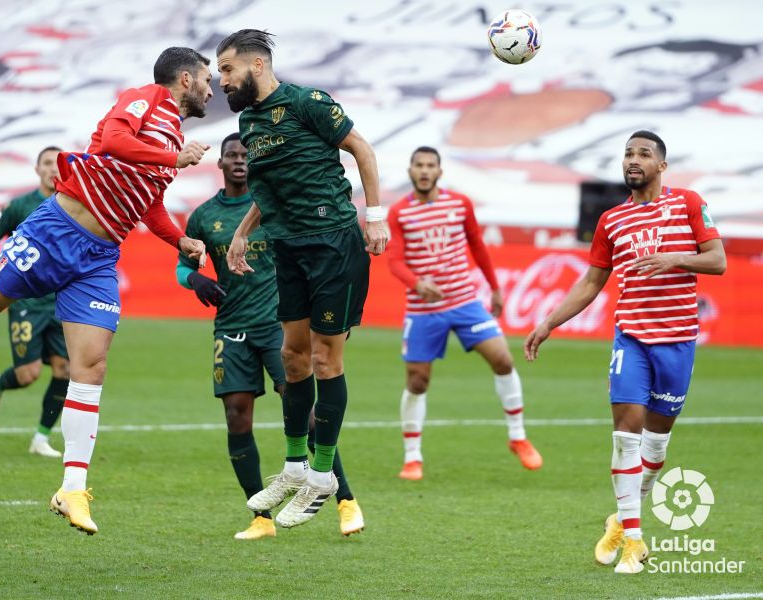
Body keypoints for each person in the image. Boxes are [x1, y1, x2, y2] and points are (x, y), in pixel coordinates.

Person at [0, 47, 215, 536]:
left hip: (97, 259)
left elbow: (149, 200)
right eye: (207, 77)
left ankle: (72, 488)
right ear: (185, 79)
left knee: (91, 365)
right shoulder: (146, 99)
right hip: (54, 231)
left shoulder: (174, 133)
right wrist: (171, 156)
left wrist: (178, 238)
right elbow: (117, 141)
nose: (212, 87)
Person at [524, 131, 726, 574]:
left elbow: (717, 260)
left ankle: (620, 519)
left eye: (644, 154)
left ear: (661, 165)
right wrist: (548, 322)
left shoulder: (689, 203)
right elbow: (592, 282)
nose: (633, 160)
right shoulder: (612, 220)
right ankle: (634, 540)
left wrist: (675, 259)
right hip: (630, 338)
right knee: (625, 435)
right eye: (629, 154)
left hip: (677, 341)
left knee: (655, 447)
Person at [216, 29, 389, 529]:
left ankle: (322, 475)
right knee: (293, 359)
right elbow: (267, 189)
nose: (222, 80)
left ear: (257, 66)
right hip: (287, 247)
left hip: (333, 242)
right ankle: (294, 467)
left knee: (324, 358)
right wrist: (244, 232)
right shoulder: (249, 120)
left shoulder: (308, 102)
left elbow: (363, 150)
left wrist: (374, 216)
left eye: (228, 70)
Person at [176, 133, 365, 539]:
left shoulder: (277, 208)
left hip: (278, 326)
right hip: (230, 328)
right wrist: (196, 279)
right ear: (221, 164)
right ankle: (261, 519)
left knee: (307, 414)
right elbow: (179, 266)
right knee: (236, 416)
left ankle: (345, 500)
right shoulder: (205, 216)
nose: (240, 161)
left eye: (246, 154)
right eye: (232, 155)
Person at [387, 147, 542, 481]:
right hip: (423, 309)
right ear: (410, 170)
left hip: (464, 302)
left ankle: (517, 436)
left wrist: (496, 287)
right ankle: (413, 457)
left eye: (430, 166)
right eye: (419, 166)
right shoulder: (400, 212)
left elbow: (477, 245)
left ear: (440, 172)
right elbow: (395, 261)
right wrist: (417, 283)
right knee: (417, 381)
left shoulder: (459, 204)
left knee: (503, 359)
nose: (425, 171)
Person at [0, 146, 69, 458]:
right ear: (37, 169)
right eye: (47, 163)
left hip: (61, 302)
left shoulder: (74, 204)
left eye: (59, 163)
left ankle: (41, 438)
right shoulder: (21, 206)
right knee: (28, 374)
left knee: (65, 369)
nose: (53, 169)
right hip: (27, 302)